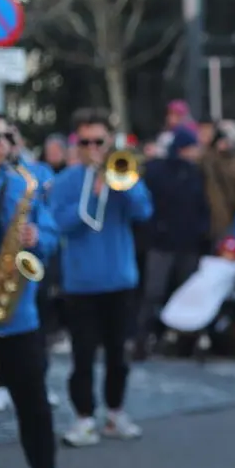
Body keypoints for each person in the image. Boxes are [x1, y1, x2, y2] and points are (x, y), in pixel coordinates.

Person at [0, 110, 77, 468]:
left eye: (7, 135)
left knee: (34, 402)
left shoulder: (23, 182)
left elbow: (53, 234)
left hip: (19, 314)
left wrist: (40, 236)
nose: (3, 143)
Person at [50, 108, 153, 447]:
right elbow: (59, 224)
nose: (93, 147)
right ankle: (83, 418)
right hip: (80, 284)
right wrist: (92, 192)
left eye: (99, 140)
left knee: (118, 354)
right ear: (75, 143)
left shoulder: (123, 173)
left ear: (109, 141)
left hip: (120, 281)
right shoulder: (65, 180)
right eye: (86, 141)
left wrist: (122, 185)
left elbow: (144, 212)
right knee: (82, 356)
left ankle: (115, 412)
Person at [134, 126, 210, 359]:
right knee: (154, 293)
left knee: (186, 294)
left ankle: (184, 343)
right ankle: (142, 341)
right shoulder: (157, 171)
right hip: (163, 243)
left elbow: (200, 207)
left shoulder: (194, 173)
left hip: (184, 244)